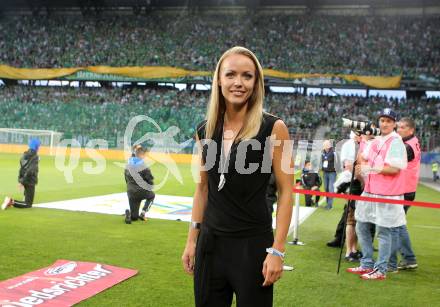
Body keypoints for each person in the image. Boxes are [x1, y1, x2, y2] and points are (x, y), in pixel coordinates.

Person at [181, 46, 293, 307]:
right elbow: (203, 190)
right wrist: (191, 240)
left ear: (256, 84)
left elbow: (286, 191)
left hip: (252, 246)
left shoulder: (273, 128)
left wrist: (277, 250)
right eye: (231, 75)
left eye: (247, 76)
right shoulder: (204, 130)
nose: (238, 83)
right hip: (211, 244)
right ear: (219, 80)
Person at [348, 108, 408, 280]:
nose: (384, 123)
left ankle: (381, 269)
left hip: (388, 193)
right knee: (361, 224)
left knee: (384, 231)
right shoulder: (377, 140)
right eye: (382, 120)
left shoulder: (396, 142)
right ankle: (366, 263)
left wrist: (371, 168)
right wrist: (364, 141)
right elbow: (362, 159)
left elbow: (395, 168)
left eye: (388, 121)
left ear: (394, 123)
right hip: (371, 189)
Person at [388, 117, 420, 272]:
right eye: (398, 127)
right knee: (399, 225)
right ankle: (409, 258)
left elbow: (392, 164)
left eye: (401, 127)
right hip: (407, 189)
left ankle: (393, 261)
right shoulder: (411, 142)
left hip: (404, 190)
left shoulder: (408, 146)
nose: (398, 129)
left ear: (411, 130)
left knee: (395, 226)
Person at [2, 138, 41, 210]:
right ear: (36, 146)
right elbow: (30, 170)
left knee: (25, 201)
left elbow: (21, 169)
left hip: (25, 179)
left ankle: (11, 202)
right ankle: (11, 201)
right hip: (30, 181)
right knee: (28, 204)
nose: (39, 148)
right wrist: (22, 181)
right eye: (39, 146)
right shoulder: (35, 156)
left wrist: (21, 180)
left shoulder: (24, 155)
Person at [124, 144, 155, 224]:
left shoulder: (128, 164)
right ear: (141, 154)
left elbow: (126, 178)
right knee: (152, 195)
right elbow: (150, 182)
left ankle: (129, 215)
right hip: (141, 191)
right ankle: (143, 213)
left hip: (131, 192)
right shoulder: (144, 166)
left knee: (134, 217)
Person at [321, 140, 337, 209]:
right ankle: (328, 203)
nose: (324, 147)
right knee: (326, 188)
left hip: (332, 172)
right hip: (325, 172)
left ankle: (329, 205)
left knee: (331, 189)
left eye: (325, 145)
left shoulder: (333, 153)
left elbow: (337, 162)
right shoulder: (323, 153)